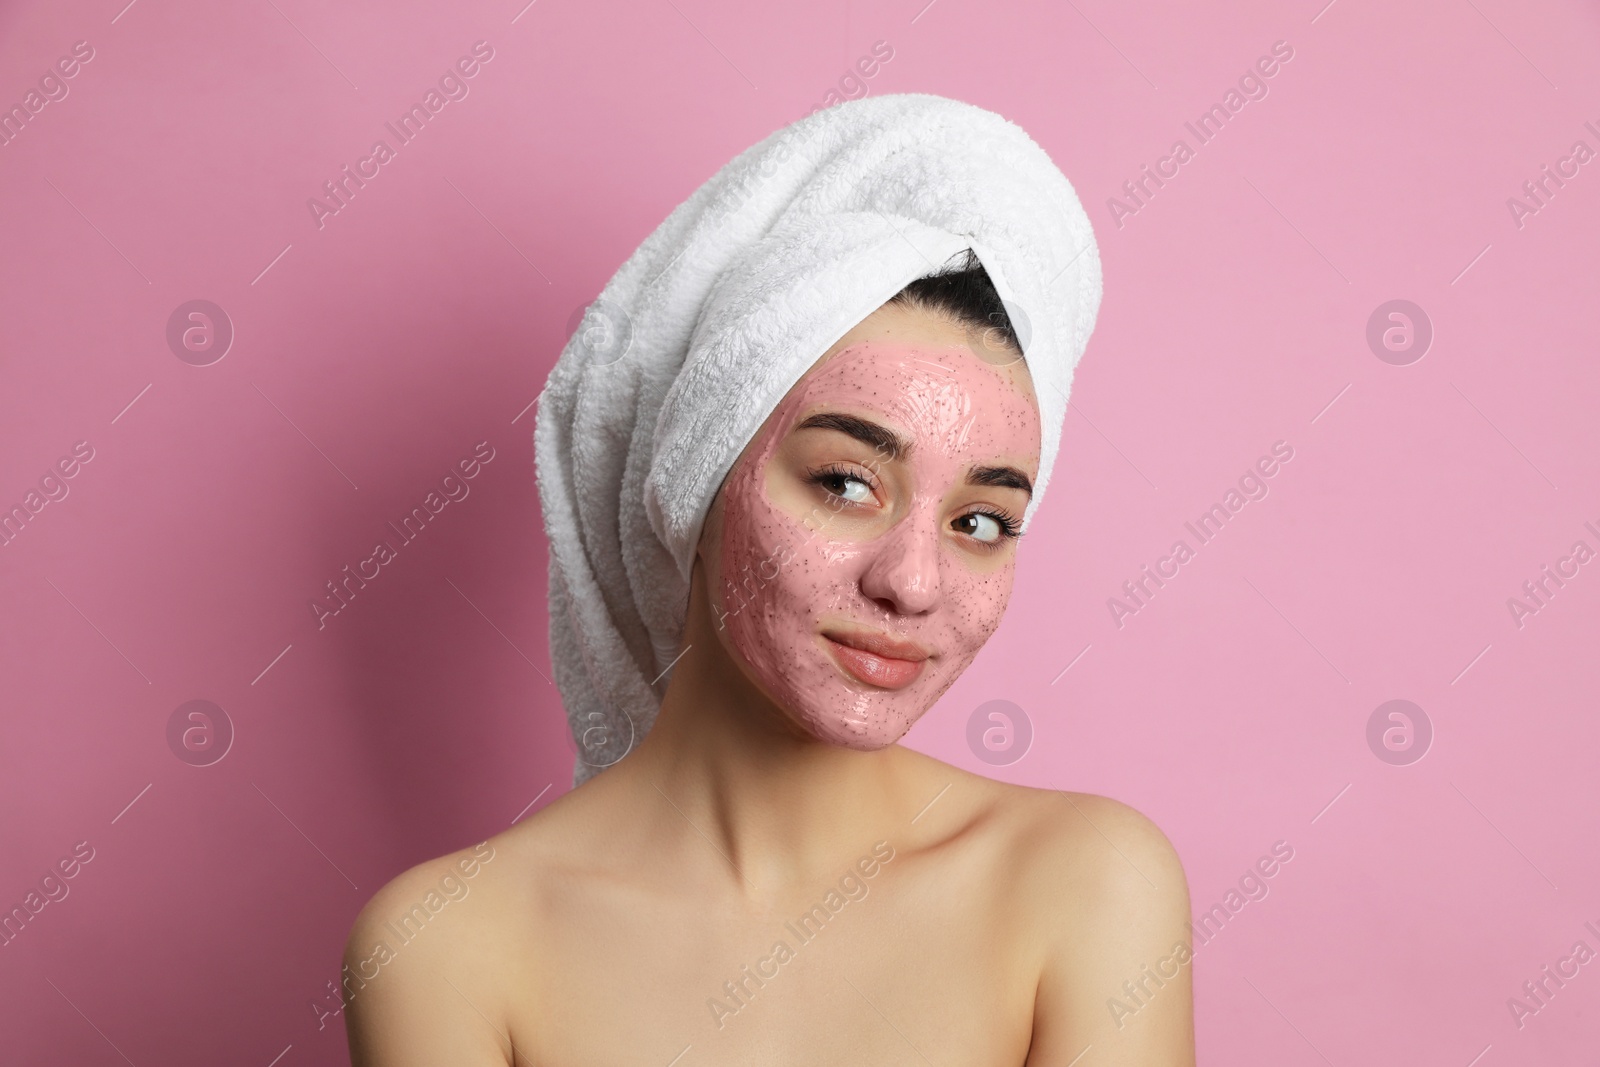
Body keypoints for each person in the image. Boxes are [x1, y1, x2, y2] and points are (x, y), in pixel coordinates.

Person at [345, 95, 1194, 1065]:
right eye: (844, 482)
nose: (911, 582)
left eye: (980, 521)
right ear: (690, 479)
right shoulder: (448, 946)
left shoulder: (1083, 885)